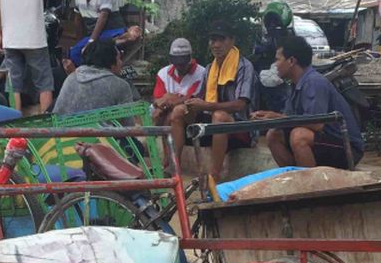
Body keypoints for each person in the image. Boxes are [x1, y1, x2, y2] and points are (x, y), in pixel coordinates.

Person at [258, 34, 364, 169]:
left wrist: (276, 117)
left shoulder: (314, 82)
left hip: (347, 147)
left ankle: (308, 185)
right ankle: (294, 176)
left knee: (299, 136)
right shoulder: (294, 85)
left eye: (278, 60)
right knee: (274, 134)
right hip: (322, 141)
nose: (275, 65)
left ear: (291, 61)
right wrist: (269, 118)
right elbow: (289, 119)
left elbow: (316, 124)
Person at [168, 21, 255, 178]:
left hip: (239, 126)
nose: (216, 45)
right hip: (211, 121)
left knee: (219, 116)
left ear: (232, 40)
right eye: (213, 40)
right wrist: (190, 103)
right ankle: (174, 167)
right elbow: (200, 97)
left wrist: (206, 105)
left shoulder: (244, 66)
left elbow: (240, 104)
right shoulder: (209, 68)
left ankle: (214, 175)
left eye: (221, 40)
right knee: (178, 112)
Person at [67, 0, 142, 67]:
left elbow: (103, 16)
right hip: (93, 33)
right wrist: (80, 41)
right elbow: (77, 18)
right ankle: (86, 78)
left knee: (100, 52)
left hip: (112, 29)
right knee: (74, 53)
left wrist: (91, 42)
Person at [52, 38, 135, 115]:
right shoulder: (120, 86)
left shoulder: (71, 78)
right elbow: (127, 124)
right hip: (102, 130)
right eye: (119, 58)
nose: (121, 63)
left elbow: (56, 114)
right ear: (111, 64)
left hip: (64, 130)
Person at [151, 38, 207, 127]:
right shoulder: (163, 73)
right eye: (176, 62)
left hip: (192, 117)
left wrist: (169, 98)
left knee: (177, 111)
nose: (180, 66)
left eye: (183, 62)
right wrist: (162, 105)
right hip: (166, 112)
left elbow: (190, 100)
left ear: (190, 57)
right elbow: (158, 99)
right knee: (154, 113)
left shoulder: (202, 73)